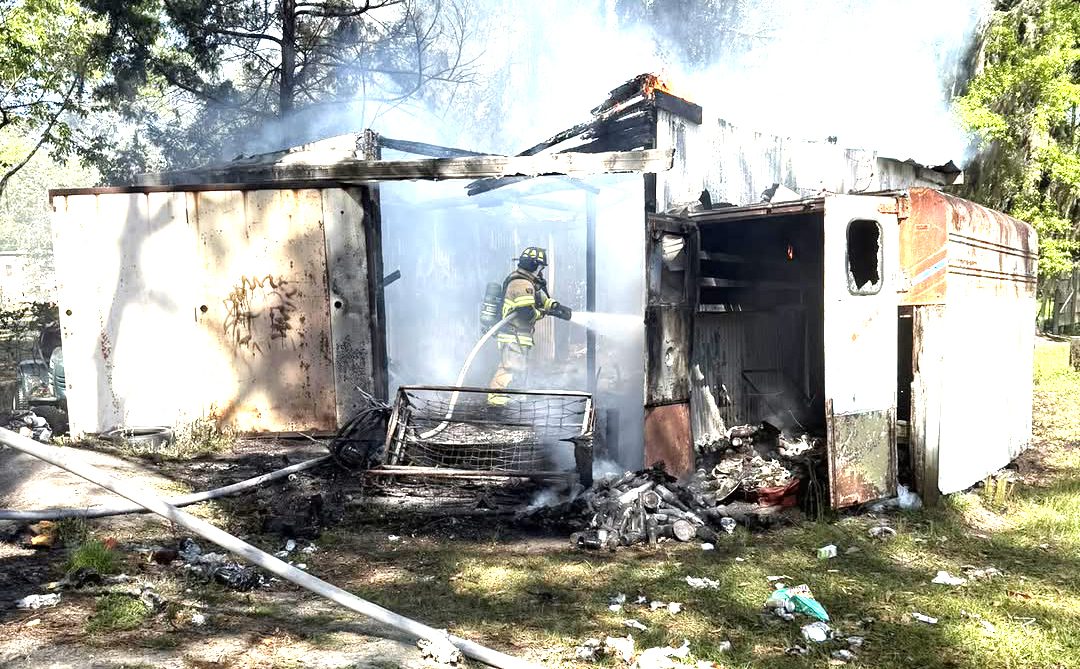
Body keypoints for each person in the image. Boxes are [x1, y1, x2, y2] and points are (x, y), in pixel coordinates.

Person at [487, 247, 571, 406]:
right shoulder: (521, 283)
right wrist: (542, 313)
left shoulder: (529, 283)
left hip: (519, 335)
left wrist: (556, 307)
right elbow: (526, 312)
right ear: (534, 265)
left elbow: (541, 299)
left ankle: (515, 398)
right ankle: (496, 401)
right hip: (512, 335)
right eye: (540, 267)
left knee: (518, 368)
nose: (541, 271)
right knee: (510, 367)